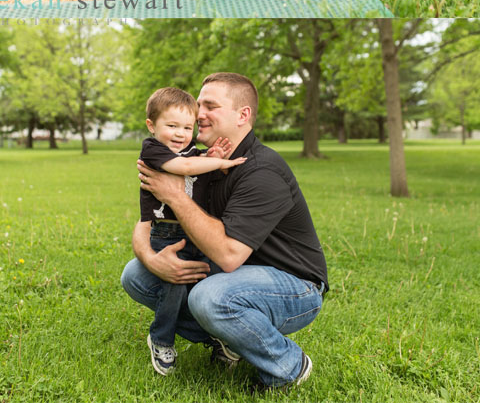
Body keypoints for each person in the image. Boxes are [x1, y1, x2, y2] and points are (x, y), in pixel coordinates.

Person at [121, 73, 329, 391]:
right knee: (136, 274)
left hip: (294, 286)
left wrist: (175, 194)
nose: (198, 113)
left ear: (242, 115)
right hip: (238, 273)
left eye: (210, 106)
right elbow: (147, 221)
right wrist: (152, 257)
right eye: (198, 104)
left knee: (211, 297)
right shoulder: (201, 161)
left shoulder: (262, 171)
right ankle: (227, 339)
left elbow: (230, 256)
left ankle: (289, 365)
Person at [139, 86, 246, 376]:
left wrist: (212, 158)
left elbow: (198, 166)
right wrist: (223, 162)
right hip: (167, 235)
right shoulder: (153, 151)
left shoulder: (190, 151)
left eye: (187, 127)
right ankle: (161, 339)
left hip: (195, 233)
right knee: (173, 288)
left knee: (209, 283)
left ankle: (219, 336)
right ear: (152, 126)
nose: (180, 133)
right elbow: (186, 167)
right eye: (171, 126)